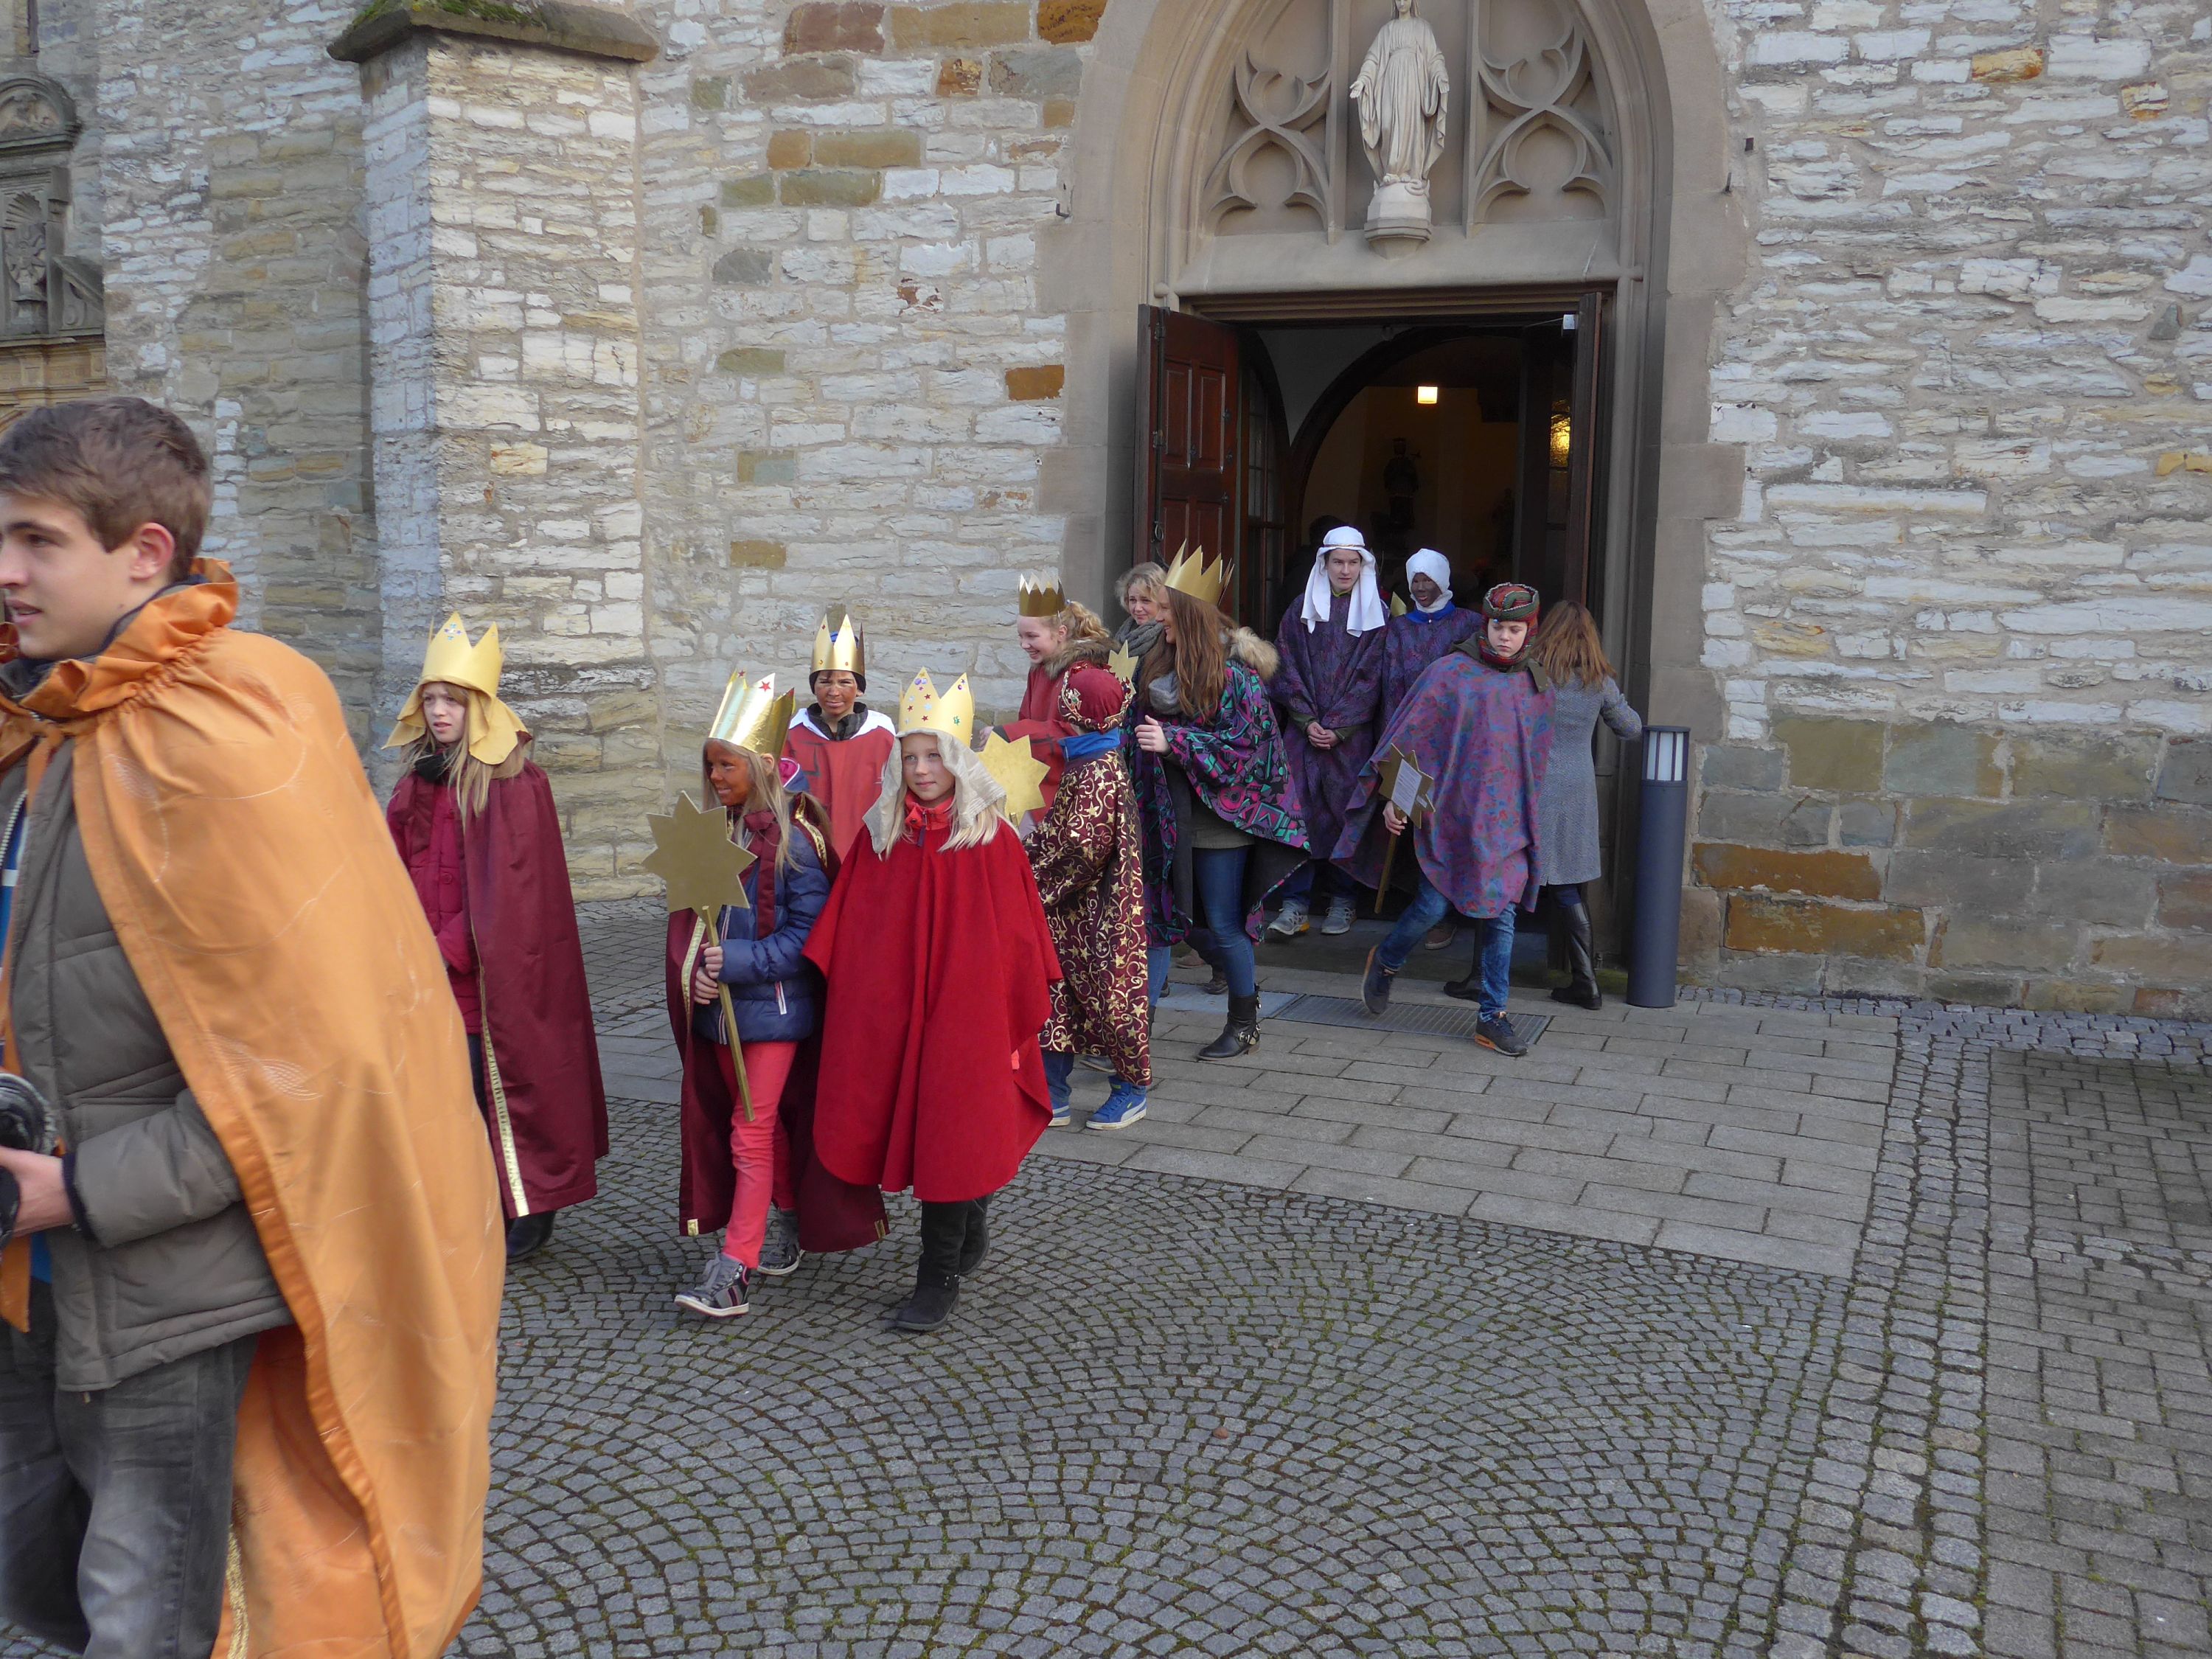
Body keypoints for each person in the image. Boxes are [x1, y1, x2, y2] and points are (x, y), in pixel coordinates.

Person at [0, 397, 498, 1657]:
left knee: (147, 1616)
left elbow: (316, 1069)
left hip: (164, 1290)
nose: (4, 571)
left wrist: (80, 1190)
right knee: (36, 1574)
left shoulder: (232, 729)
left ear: (145, 553)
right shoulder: (33, 729)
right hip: (18, 1281)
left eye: (36, 540)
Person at [803, 672, 1060, 1333]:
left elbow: (1018, 942)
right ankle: (970, 1213)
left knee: (954, 1134)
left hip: (969, 1020)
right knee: (915, 1126)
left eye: (934, 757)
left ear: (958, 762)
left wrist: (1001, 1019)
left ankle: (937, 1274)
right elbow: (853, 931)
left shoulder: (992, 840)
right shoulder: (883, 838)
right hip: (894, 1016)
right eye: (910, 757)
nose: (921, 770)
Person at [386, 613, 608, 1261]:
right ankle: (468, 1204)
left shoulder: (512, 783)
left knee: (501, 1091)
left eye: (452, 701)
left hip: (488, 979)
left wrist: (444, 950)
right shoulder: (416, 781)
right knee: (443, 1093)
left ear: (478, 708)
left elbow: (512, 896)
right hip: (423, 971)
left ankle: (529, 1206)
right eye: (430, 699)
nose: (439, 711)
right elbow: (393, 868)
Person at [667, 672, 860, 1318]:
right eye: (710, 765)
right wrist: (696, 971)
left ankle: (735, 1268)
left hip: (775, 1013)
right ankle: (789, 1217)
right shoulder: (718, 833)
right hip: (723, 1016)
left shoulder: (796, 841)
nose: (715, 776)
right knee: (759, 1125)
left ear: (760, 766)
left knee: (748, 1133)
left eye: (726, 765)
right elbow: (697, 924)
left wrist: (735, 962)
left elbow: (809, 936)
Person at [1336, 582, 1553, 1057]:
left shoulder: (1536, 685)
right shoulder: (1449, 674)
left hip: (1506, 824)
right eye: (1498, 627)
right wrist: (1397, 801)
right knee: (1433, 908)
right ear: (1485, 625)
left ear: (1529, 632)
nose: (1505, 638)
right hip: (1450, 816)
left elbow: (1536, 760)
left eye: (1515, 630)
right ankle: (1387, 959)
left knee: (1501, 915)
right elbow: (1412, 740)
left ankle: (1492, 1016)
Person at [1129, 554, 1307, 1062]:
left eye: (1166, 609)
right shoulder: (1155, 663)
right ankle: (1134, 1033)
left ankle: (1244, 1025)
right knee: (1160, 923)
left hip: (1220, 822)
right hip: (1166, 819)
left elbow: (1247, 750)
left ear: (1188, 615)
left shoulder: (1237, 678)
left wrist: (1176, 743)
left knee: (1223, 926)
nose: (1158, 616)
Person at [1027, 663, 1150, 1130]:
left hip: (1101, 912)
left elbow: (1082, 848)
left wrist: (1033, 884)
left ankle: (1131, 1089)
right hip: (1068, 914)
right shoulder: (1086, 759)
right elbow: (1060, 831)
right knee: (1057, 995)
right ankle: (1053, 1092)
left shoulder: (1097, 769)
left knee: (1112, 999)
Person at [1267, 525, 1386, 939]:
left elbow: (1374, 676)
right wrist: (1306, 720)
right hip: (1303, 735)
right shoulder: (1300, 609)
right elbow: (1284, 665)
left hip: (1351, 740)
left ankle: (1343, 899)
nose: (1345, 570)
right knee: (1298, 814)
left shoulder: (1377, 614)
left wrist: (1340, 727)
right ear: (1325, 564)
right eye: (1338, 562)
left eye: (1353, 562)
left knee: (1345, 814)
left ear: (1363, 566)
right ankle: (1295, 904)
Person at [1527, 601, 1643, 1010]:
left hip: (1533, 782)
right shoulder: (1598, 681)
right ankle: (1586, 982)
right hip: (1577, 787)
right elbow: (1631, 729)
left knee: (1507, 877)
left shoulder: (1533, 673)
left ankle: (1482, 976)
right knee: (1566, 885)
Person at [1382, 547, 1481, 953]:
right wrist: (1392, 742)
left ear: (1443, 580)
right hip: (1411, 743)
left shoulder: (1470, 624)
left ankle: (1450, 915)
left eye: (1428, 580)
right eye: (1416, 580)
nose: (1421, 588)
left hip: (1457, 744)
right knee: (1411, 827)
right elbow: (1390, 685)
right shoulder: (1399, 629)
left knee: (1452, 828)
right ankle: (1422, 910)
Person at [782, 605, 896, 860]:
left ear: (859, 689)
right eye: (825, 681)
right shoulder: (793, 734)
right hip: (805, 854)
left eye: (845, 682)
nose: (834, 692)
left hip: (867, 853)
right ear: (814, 687)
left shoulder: (882, 736)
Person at [1007, 576, 1115, 817]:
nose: (1024, 644)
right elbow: (1026, 719)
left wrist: (1011, 733)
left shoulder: (1084, 675)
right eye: (1020, 636)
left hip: (1074, 791)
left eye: (1031, 636)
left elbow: (1077, 733)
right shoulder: (1039, 670)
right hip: (1039, 783)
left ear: (1061, 633)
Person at [1113, 560, 1168, 647]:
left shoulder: (1168, 638)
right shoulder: (1122, 634)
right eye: (1132, 600)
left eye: (1145, 600)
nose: (1137, 608)